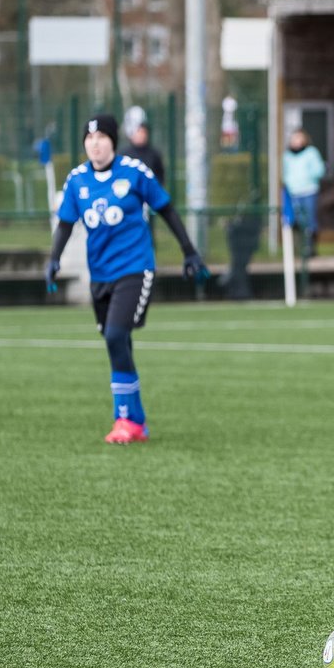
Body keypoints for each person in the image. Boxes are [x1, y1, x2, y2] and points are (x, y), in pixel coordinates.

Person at [45, 114, 209, 444]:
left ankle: (124, 420)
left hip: (136, 268)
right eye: (89, 139)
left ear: (113, 141)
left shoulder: (134, 173)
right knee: (117, 340)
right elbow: (65, 223)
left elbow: (166, 208)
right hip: (100, 274)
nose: (95, 144)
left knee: (116, 336)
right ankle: (138, 421)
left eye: (102, 137)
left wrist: (189, 250)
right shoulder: (77, 180)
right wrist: (53, 259)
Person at [282, 129, 326, 257]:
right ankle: (298, 248)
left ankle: (310, 249)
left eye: (299, 138)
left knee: (310, 220)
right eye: (294, 138)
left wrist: (306, 177)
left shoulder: (311, 153)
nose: (296, 141)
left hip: (308, 191)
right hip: (293, 192)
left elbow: (319, 170)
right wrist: (289, 182)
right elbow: (285, 173)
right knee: (296, 220)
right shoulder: (287, 156)